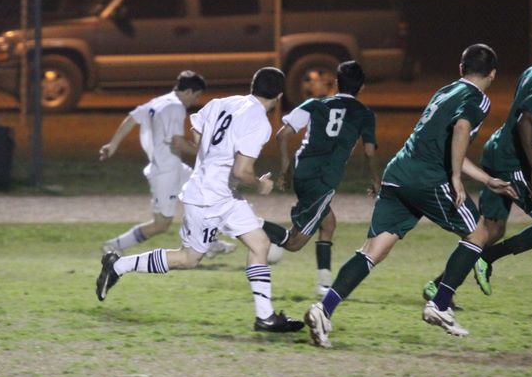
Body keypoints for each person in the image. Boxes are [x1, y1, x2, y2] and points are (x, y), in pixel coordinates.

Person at [303, 44, 517, 347]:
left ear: (460, 68)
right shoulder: (478, 98)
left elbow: (449, 147)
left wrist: (485, 179)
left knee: (373, 250)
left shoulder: (445, 92)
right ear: (492, 74)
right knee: (480, 233)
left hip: (398, 174)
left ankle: (323, 310)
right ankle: (440, 303)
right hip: (429, 178)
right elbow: (461, 130)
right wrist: (456, 179)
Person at [95, 67, 305, 333]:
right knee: (188, 259)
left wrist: (211, 155)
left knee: (260, 244)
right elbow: (242, 172)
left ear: (253, 86)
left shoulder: (224, 102)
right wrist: (260, 184)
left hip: (224, 195)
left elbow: (196, 126)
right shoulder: (259, 123)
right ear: (279, 95)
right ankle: (118, 265)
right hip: (208, 199)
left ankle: (265, 317)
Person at [422, 30, 532, 302]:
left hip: (497, 151)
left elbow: (526, 121)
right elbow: (525, 123)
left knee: (492, 230)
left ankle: (438, 287)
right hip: (513, 160)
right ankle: (488, 257)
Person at [261, 61, 380, 299]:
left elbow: (283, 135)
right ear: (361, 87)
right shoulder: (364, 114)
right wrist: (375, 179)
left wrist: (285, 169)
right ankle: (243, 222)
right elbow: (369, 152)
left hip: (303, 172)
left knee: (328, 224)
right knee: (294, 243)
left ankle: (324, 284)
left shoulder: (315, 104)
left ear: (336, 83)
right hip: (323, 180)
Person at [98, 70, 234, 257]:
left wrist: (113, 145)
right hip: (165, 172)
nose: (195, 101)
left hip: (174, 167)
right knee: (161, 224)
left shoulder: (159, 101)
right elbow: (178, 142)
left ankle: (208, 243)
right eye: (196, 96)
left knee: (205, 195)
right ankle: (114, 245)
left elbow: (132, 118)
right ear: (188, 92)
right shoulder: (176, 107)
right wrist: (206, 152)